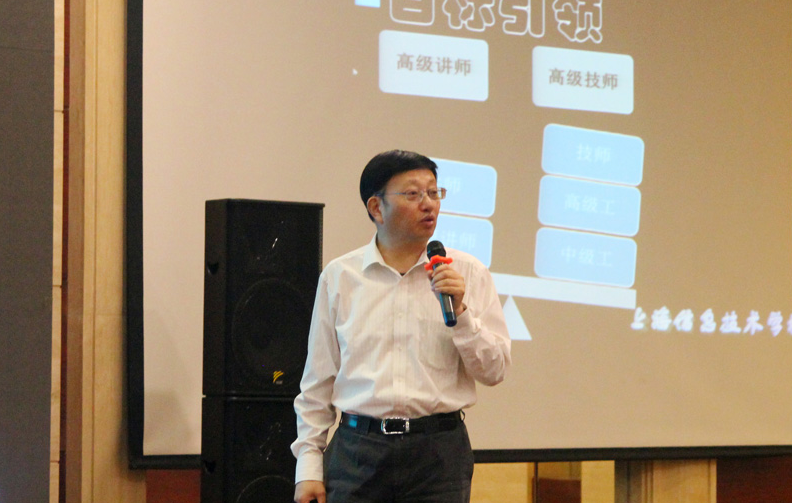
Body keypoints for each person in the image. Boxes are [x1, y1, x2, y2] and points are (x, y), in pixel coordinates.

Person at [291, 149, 512, 503]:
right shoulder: (340, 276)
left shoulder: (468, 272)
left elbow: (495, 370)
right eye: (413, 194)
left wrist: (461, 312)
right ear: (376, 208)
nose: (429, 204)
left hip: (439, 455)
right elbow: (318, 381)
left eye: (434, 192)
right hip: (357, 451)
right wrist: (308, 468)